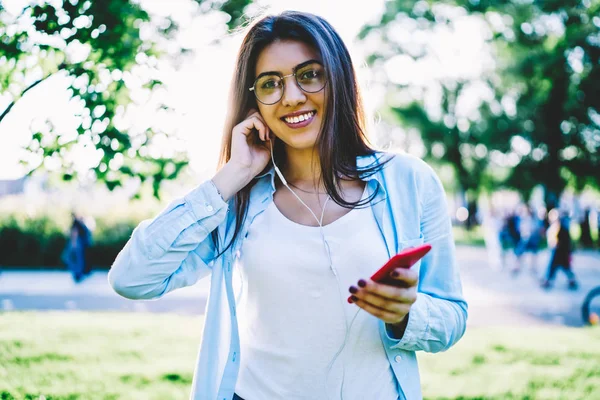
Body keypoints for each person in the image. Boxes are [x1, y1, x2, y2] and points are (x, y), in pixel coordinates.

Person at [108, 11, 467, 400]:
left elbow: (452, 317)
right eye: (270, 84)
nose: (292, 96)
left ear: (339, 79)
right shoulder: (238, 199)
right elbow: (132, 277)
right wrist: (234, 172)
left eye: (310, 74)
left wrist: (404, 316)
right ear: (253, 102)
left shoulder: (409, 181)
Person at [541, 213, 578, 290]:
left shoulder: (561, 229)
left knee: (555, 266)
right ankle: (571, 280)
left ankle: (548, 280)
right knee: (562, 267)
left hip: (559, 252)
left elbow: (564, 242)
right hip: (557, 251)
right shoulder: (556, 227)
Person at [62, 212, 92, 283]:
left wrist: (74, 242)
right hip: (78, 244)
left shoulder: (76, 223)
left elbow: (75, 233)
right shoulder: (79, 223)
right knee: (78, 259)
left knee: (72, 258)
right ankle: (78, 273)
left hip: (76, 243)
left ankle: (77, 273)